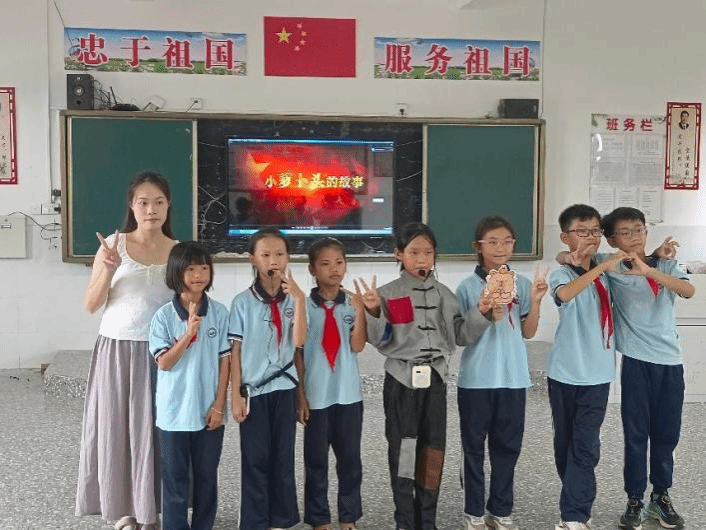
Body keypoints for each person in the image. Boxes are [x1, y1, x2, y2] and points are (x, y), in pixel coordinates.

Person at [357, 222, 491, 530]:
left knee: (433, 450)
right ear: (399, 254)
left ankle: (427, 519)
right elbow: (379, 340)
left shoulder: (444, 294)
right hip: (402, 381)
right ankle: (405, 520)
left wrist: (481, 312)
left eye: (428, 253)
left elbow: (460, 335)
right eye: (414, 252)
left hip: (436, 381)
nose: (422, 259)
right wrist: (374, 311)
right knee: (404, 450)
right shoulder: (386, 294)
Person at [76, 171, 176, 530]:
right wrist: (107, 269)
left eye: (159, 202)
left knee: (157, 433)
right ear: (132, 206)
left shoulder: (179, 251)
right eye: (143, 202)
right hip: (117, 351)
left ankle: (153, 511)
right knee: (117, 430)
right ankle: (123, 510)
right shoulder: (112, 245)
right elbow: (91, 304)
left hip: (163, 356)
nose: (151, 210)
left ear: (168, 206)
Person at [597, 207, 694, 530]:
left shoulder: (665, 263)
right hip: (637, 364)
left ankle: (661, 495)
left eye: (639, 229)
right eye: (625, 233)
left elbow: (688, 290)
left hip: (670, 364)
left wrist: (650, 267)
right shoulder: (611, 267)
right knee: (636, 434)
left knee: (667, 434)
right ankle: (635, 498)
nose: (634, 237)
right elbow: (565, 258)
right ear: (612, 240)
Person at [455, 216, 547, 530]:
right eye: (492, 242)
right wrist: (483, 312)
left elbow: (528, 332)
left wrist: (536, 301)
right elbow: (461, 337)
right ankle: (473, 511)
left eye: (507, 241)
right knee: (473, 447)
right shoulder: (467, 287)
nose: (500, 248)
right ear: (477, 247)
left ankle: (501, 509)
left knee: (508, 447)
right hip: (476, 380)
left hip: (513, 378)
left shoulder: (523, 284)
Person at [547, 205, 626, 530]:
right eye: (582, 231)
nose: (591, 237)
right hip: (564, 373)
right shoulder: (561, 274)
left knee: (586, 444)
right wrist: (585, 264)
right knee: (564, 445)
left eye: (595, 231)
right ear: (565, 237)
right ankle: (576, 499)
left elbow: (629, 255)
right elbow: (565, 295)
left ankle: (574, 515)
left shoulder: (605, 265)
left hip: (598, 375)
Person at [148, 241, 230, 530]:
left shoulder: (219, 312)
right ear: (176, 272)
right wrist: (188, 334)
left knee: (207, 477)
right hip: (173, 415)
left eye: (204, 268)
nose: (199, 275)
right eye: (191, 269)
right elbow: (164, 363)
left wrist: (219, 406)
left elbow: (225, 362)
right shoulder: (162, 316)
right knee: (175, 479)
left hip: (209, 411)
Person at [229, 227, 307, 530]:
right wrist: (235, 395)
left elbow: (299, 343)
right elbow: (235, 352)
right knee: (255, 458)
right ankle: (255, 521)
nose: (273, 260)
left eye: (279, 254)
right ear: (252, 259)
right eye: (265, 255)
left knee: (283, 457)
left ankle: (281, 520)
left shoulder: (294, 300)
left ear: (288, 258)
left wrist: (299, 300)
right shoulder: (242, 302)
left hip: (285, 388)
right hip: (253, 391)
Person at [295, 237, 367, 530]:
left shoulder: (352, 303)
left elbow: (358, 345)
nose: (333, 269)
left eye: (339, 262)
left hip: (348, 395)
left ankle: (348, 517)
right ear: (312, 269)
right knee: (316, 462)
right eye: (325, 264)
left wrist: (360, 311)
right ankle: (319, 518)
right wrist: (300, 396)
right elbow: (298, 353)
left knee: (350, 461)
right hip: (316, 396)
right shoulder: (303, 306)